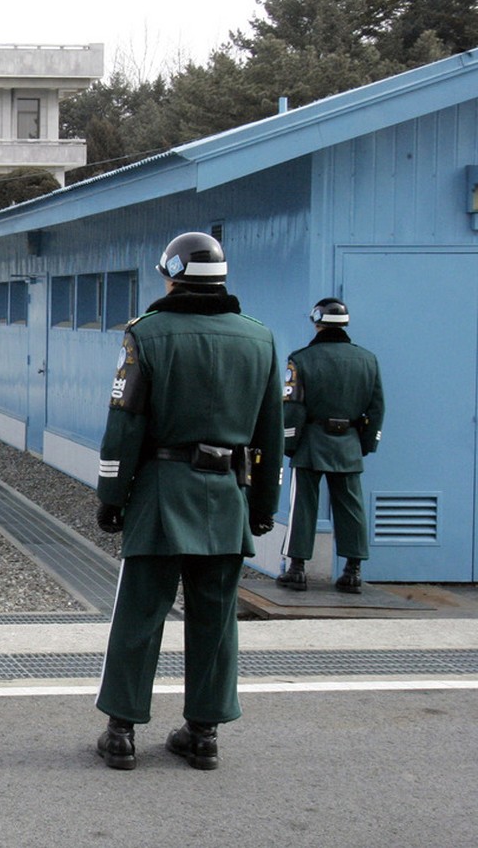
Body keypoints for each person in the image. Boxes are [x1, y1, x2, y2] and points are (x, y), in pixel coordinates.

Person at [92, 231, 283, 771]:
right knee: (216, 619)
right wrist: (264, 504)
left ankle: (122, 732)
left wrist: (111, 494)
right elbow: (271, 432)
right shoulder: (260, 339)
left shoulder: (146, 334)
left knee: (140, 614)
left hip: (161, 492)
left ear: (170, 273)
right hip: (227, 496)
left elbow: (124, 424)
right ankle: (203, 733)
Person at [277, 298, 385, 594]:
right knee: (351, 507)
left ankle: (297, 568)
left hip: (311, 441)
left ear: (317, 321)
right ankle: (353, 570)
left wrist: (289, 443)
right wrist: (363, 444)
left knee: (302, 506)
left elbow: (294, 408)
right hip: (348, 442)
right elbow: (376, 409)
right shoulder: (368, 360)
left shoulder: (301, 359)